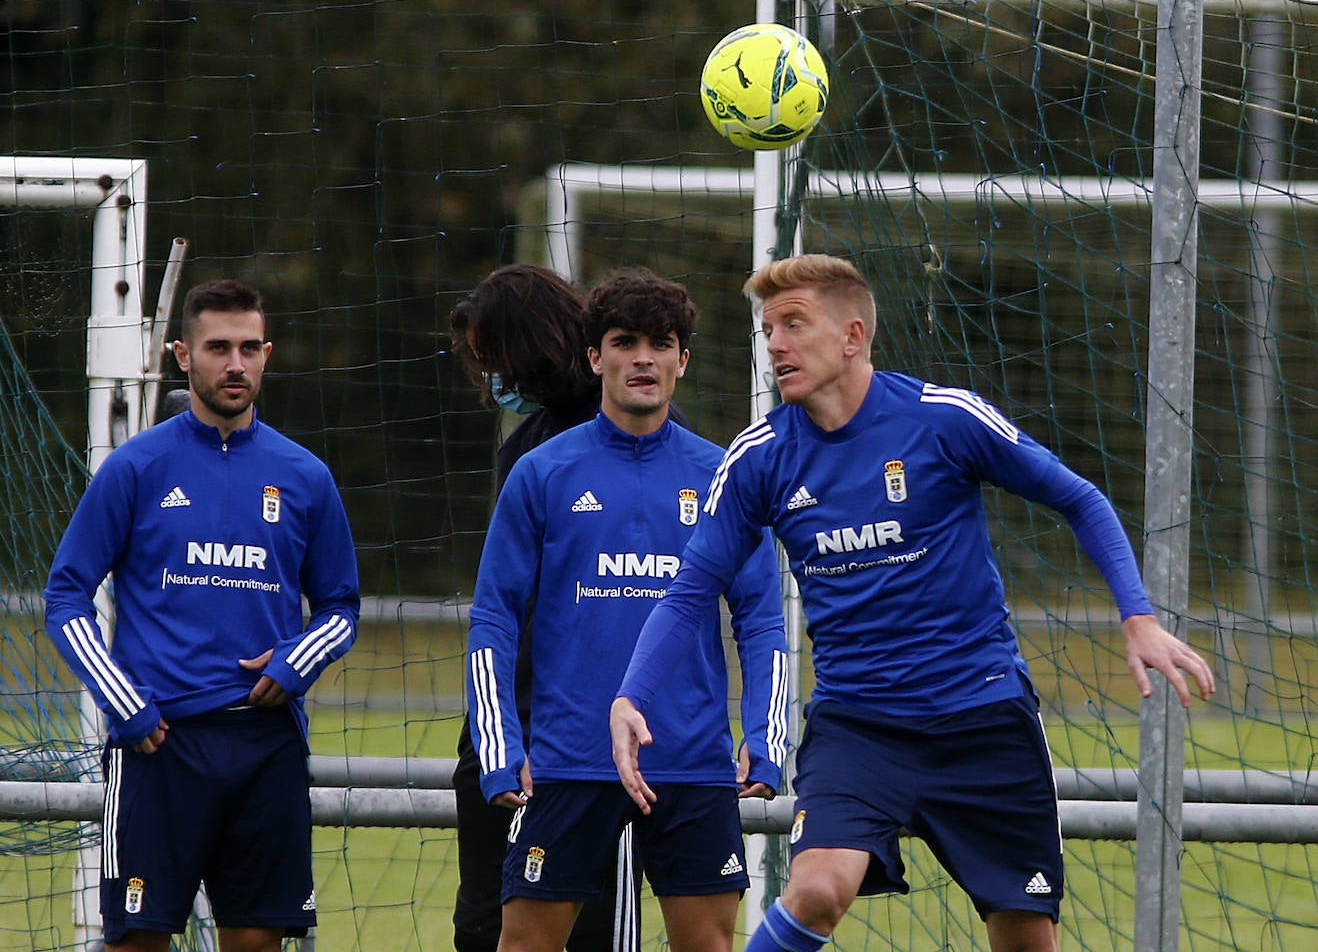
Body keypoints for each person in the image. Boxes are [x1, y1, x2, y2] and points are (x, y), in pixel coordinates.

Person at [611, 254, 1216, 952]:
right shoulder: (758, 457)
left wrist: (1137, 617)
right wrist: (632, 696)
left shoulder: (943, 420)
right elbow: (691, 591)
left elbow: (1079, 497)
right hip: (858, 727)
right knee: (814, 891)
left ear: (852, 336)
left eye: (794, 324)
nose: (774, 343)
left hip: (983, 718)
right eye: (768, 327)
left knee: (1026, 940)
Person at [466, 267, 789, 952]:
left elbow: (760, 618)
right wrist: (500, 748)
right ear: (595, 357)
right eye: (624, 341)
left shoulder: (724, 476)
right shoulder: (541, 473)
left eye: (660, 343)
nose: (643, 357)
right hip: (569, 762)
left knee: (707, 945)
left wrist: (767, 737)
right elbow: (494, 617)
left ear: (683, 360)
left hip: (692, 762)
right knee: (522, 944)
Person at [43, 278, 360, 952]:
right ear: (183, 356)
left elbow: (340, 608)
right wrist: (122, 700)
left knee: (255, 942)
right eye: (219, 347)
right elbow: (66, 596)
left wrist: (297, 659)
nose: (236, 364)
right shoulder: (136, 468)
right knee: (137, 941)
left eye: (250, 348)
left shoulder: (304, 476)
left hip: (265, 743)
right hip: (160, 744)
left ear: (268, 354)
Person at [449, 264, 644, 952]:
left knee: (591, 930)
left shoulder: (635, 431)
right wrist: (496, 732)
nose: (489, 376)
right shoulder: (522, 451)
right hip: (503, 732)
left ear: (527, 343)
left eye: (491, 356)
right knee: (483, 926)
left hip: (588, 743)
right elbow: (498, 607)